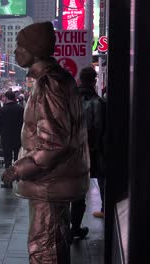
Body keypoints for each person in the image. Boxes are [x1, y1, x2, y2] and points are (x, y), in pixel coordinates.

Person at [1, 22, 89, 263]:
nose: (15, 51)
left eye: (20, 46)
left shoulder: (49, 84)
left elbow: (54, 143)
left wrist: (18, 169)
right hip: (57, 179)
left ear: (35, 50)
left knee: (44, 248)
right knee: (55, 241)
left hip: (49, 181)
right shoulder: (60, 79)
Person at [69, 67, 107, 240]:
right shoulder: (98, 102)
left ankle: (69, 227)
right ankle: (76, 226)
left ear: (79, 80)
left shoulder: (69, 100)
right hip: (92, 152)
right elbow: (101, 129)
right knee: (93, 184)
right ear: (94, 80)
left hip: (69, 152)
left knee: (70, 189)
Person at [0, 91, 24, 188]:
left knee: (7, 159)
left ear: (7, 98)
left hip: (6, 138)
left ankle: (8, 181)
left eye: (4, 97)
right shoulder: (21, 109)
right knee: (17, 158)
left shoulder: (2, 110)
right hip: (18, 137)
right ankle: (17, 178)